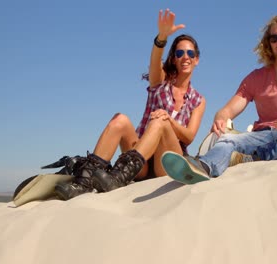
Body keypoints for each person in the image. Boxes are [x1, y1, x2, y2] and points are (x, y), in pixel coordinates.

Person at [161, 13, 277, 180]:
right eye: (274, 38)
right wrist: (221, 119)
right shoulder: (256, 77)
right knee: (227, 139)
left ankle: (263, 155)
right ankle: (203, 167)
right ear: (268, 43)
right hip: (262, 136)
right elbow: (228, 110)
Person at [53, 9, 206, 200]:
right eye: (180, 52)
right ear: (174, 58)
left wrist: (169, 120)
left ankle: (117, 177)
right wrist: (162, 37)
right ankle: (83, 182)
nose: (185, 57)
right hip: (139, 161)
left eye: (190, 53)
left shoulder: (198, 100)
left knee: (160, 122)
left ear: (196, 59)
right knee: (121, 119)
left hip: (166, 163)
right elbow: (155, 59)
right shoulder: (160, 82)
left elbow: (190, 136)